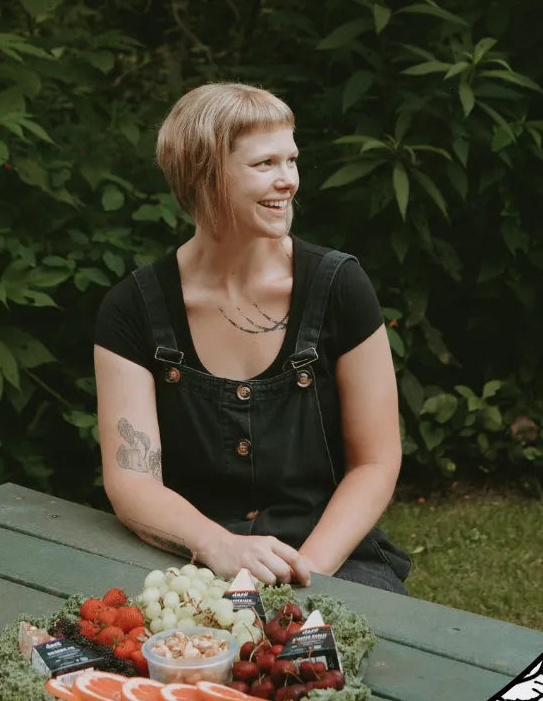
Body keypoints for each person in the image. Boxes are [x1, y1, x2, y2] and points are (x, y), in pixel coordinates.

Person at [93, 82, 411, 592]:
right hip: (188, 559)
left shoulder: (339, 287)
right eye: (265, 164)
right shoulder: (133, 310)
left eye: (292, 160)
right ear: (205, 175)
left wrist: (307, 573)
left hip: (330, 556)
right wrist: (217, 545)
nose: (288, 181)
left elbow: (375, 462)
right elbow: (131, 479)